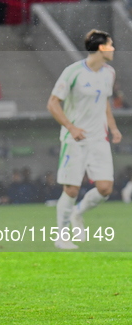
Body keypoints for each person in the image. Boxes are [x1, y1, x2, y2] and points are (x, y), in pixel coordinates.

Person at [47, 29, 120, 250]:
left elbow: (104, 103)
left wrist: (113, 128)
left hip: (99, 138)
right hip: (75, 139)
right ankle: (61, 235)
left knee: (105, 188)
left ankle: (78, 213)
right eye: (110, 45)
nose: (113, 48)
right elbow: (52, 103)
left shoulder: (109, 73)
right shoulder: (73, 72)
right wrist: (71, 127)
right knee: (71, 189)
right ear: (100, 48)